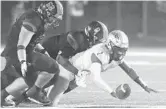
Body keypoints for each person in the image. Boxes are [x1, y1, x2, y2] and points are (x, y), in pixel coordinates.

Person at [1, 21, 109, 107]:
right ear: (93, 35)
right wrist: (77, 71)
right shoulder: (78, 39)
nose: (99, 43)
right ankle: (20, 94)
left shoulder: (85, 41)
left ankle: (31, 93)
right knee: (50, 77)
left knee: (72, 80)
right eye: (98, 40)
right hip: (47, 55)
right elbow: (61, 58)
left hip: (53, 58)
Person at [47, 30, 158, 106]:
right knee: (51, 96)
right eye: (119, 49)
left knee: (72, 85)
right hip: (70, 68)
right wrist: (112, 92)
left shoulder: (115, 55)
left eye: (124, 50)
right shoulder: (100, 53)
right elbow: (96, 78)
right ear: (110, 45)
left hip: (82, 73)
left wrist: (144, 85)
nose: (121, 53)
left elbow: (129, 70)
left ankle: (39, 92)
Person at [1, 0, 64, 106]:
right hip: (16, 54)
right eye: (53, 17)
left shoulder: (37, 18)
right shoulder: (33, 20)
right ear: (47, 12)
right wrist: (23, 62)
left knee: (52, 74)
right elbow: (21, 44)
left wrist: (43, 51)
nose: (54, 20)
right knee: (50, 68)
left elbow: (32, 40)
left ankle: (27, 94)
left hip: (22, 53)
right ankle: (31, 92)